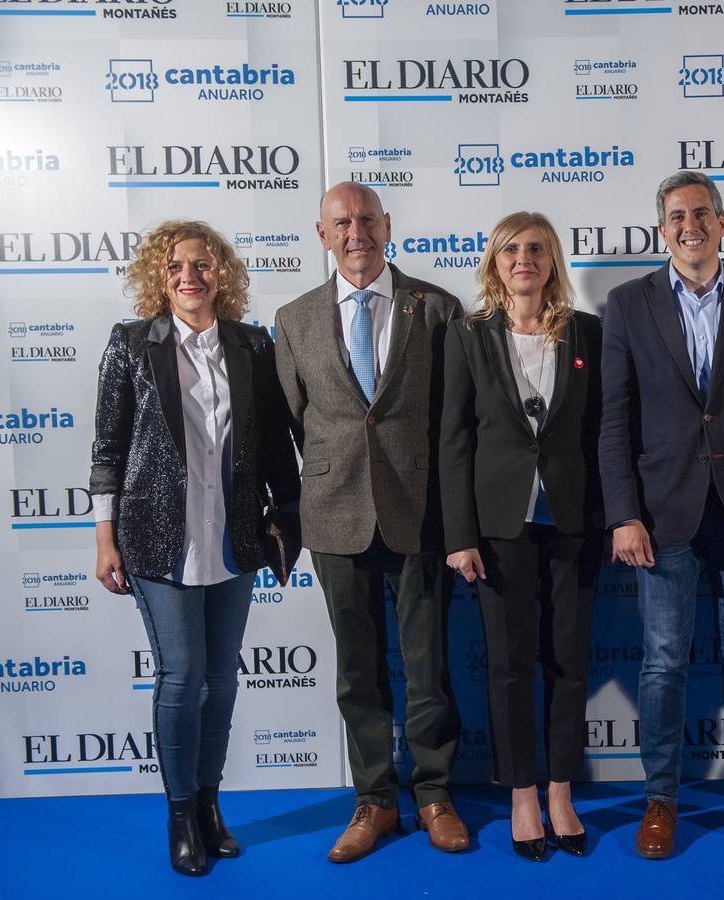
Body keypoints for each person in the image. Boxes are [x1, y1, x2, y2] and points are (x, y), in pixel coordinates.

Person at [599, 170, 724, 858]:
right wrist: (623, 512)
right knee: (661, 663)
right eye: (678, 215)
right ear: (663, 229)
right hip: (662, 515)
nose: (691, 224)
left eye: (703, 213)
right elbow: (614, 419)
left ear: (722, 223)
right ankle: (661, 802)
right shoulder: (628, 304)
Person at [91, 220, 300, 876]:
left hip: (233, 537)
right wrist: (104, 538)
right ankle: (180, 813)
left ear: (223, 274)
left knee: (220, 678)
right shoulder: (131, 344)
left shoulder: (250, 344)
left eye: (204, 265)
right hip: (155, 538)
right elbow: (108, 447)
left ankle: (211, 805)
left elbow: (273, 445)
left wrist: (288, 523)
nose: (192, 276)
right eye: (178, 265)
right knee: (182, 679)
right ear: (160, 275)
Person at [275, 182, 467, 862]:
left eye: (366, 220)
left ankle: (435, 794)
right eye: (341, 223)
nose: (355, 232)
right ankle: (375, 802)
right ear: (321, 234)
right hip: (334, 517)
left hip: (422, 513)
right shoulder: (292, 318)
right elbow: (296, 423)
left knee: (427, 667)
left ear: (387, 226)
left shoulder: (437, 308)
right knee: (358, 672)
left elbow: (454, 420)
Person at [440, 212, 603, 862]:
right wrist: (459, 535)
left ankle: (561, 790)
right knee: (509, 668)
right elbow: (453, 439)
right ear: (495, 262)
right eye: (511, 249)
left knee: (569, 663)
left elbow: (601, 433)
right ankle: (523, 796)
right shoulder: (469, 336)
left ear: (552, 260)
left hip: (571, 520)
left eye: (536, 248)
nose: (523, 259)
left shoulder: (586, 333)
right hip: (498, 527)